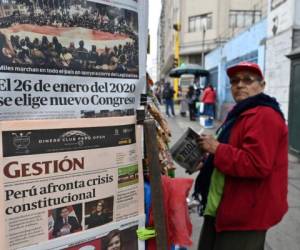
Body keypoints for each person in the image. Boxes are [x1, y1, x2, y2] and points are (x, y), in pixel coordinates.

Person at [195, 62, 288, 250]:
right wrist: (208, 162)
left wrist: (217, 149)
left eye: (247, 80)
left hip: (245, 215)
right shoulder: (240, 113)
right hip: (224, 208)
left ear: (262, 85)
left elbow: (257, 164)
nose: (239, 85)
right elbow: (234, 149)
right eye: (235, 81)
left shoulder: (264, 116)